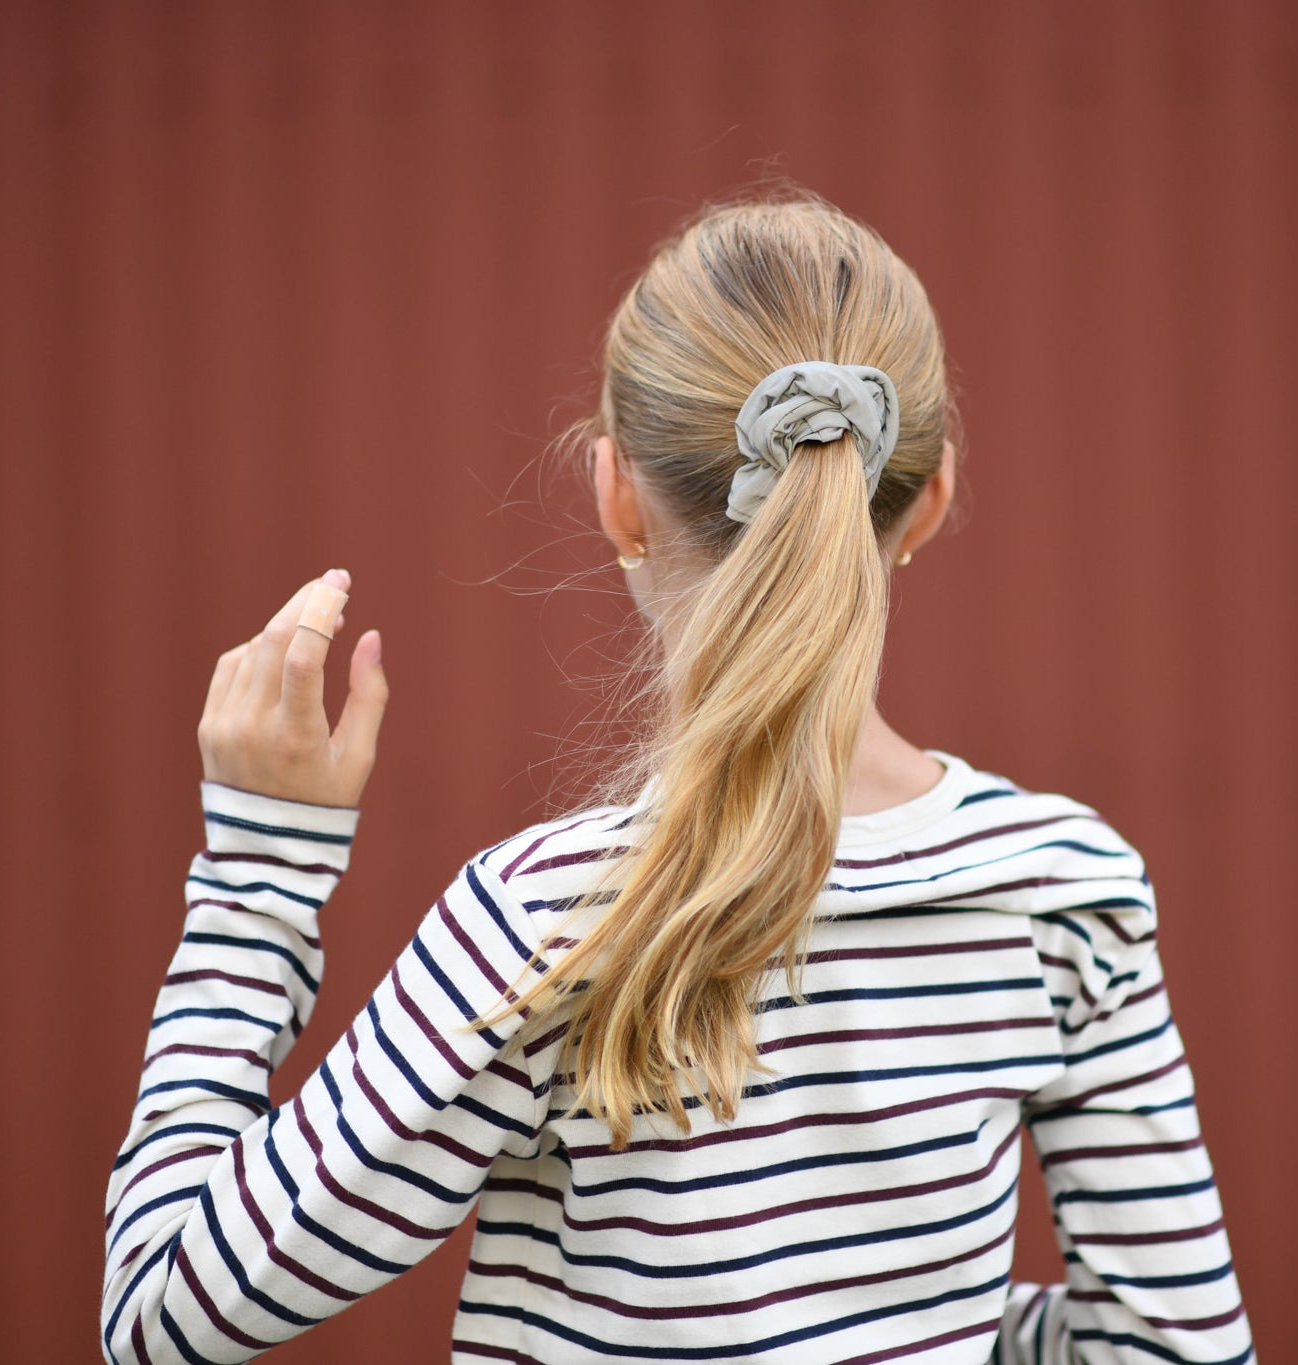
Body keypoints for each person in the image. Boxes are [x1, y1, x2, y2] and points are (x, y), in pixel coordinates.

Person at [102, 196, 1253, 1364]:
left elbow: (157, 1313)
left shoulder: (551, 921)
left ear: (616, 494)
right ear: (929, 501)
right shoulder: (1066, 889)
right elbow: (1169, 1348)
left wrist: (259, 873)